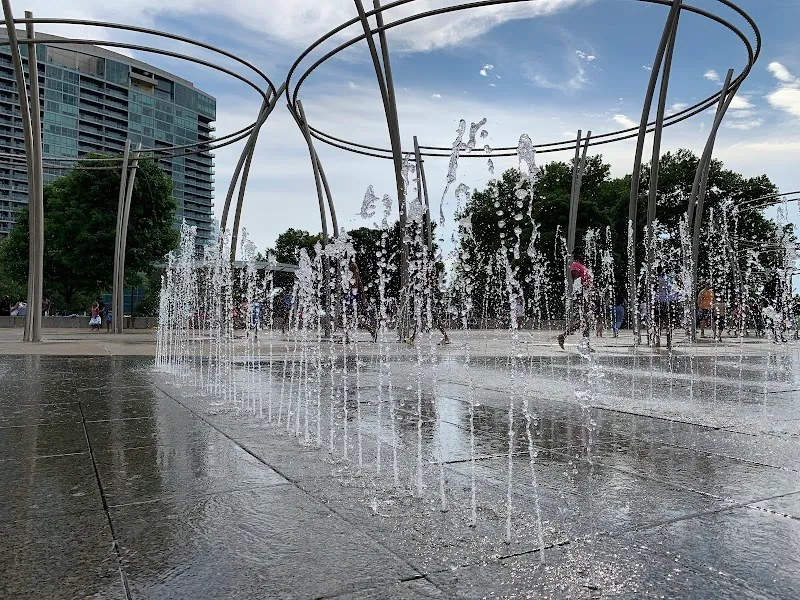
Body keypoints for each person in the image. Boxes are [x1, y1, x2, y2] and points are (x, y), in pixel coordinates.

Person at [558, 250, 594, 351]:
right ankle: (565, 336)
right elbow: (577, 281)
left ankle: (566, 337)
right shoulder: (575, 265)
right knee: (585, 321)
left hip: (586, 294)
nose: (585, 256)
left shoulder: (582, 266)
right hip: (581, 295)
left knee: (586, 321)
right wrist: (581, 293)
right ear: (579, 255)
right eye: (583, 254)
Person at [654, 266, 679, 349]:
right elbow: (675, 290)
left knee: (658, 323)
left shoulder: (656, 279)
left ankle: (657, 341)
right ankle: (669, 342)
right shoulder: (669, 278)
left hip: (659, 302)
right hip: (669, 302)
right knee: (669, 323)